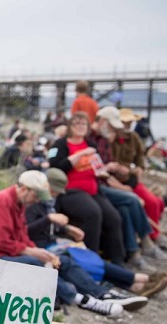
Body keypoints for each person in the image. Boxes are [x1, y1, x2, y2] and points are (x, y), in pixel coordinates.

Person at [0, 170, 128, 317]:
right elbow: (0, 242)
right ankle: (81, 300)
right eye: (36, 196)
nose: (38, 200)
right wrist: (32, 252)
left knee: (63, 261)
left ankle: (99, 293)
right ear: (25, 189)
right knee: (33, 262)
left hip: (6, 253)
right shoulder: (2, 201)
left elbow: (22, 236)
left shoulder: (18, 203)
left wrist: (41, 252)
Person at [27, 168, 164, 299]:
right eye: (53, 191)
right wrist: (49, 219)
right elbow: (29, 230)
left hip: (50, 243)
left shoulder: (45, 203)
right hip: (42, 247)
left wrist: (66, 229)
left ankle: (135, 284)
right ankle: (137, 280)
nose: (55, 194)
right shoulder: (32, 205)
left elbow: (47, 227)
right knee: (84, 261)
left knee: (88, 259)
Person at [47, 112, 127, 266]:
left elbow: (97, 168)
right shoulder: (60, 144)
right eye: (76, 123)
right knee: (93, 213)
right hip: (70, 191)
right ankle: (91, 259)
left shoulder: (91, 144)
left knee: (114, 217)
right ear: (70, 126)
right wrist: (80, 154)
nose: (80, 127)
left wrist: (105, 169)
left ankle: (117, 259)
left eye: (83, 124)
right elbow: (56, 168)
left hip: (93, 189)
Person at [102, 106, 167, 260]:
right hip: (116, 182)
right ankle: (146, 241)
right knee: (136, 203)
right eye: (125, 122)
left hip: (130, 180)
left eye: (130, 122)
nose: (128, 125)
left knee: (154, 202)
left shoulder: (134, 138)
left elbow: (140, 162)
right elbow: (107, 167)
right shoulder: (109, 140)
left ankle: (152, 237)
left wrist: (137, 169)